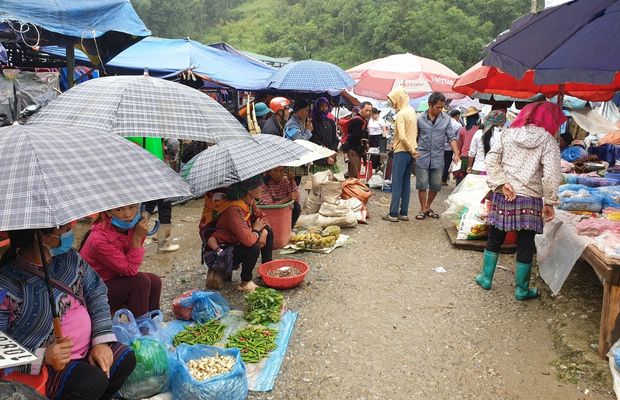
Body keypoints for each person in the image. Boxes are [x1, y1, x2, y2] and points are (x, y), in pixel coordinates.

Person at [0, 225, 136, 400]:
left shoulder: (70, 258)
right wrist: (43, 356)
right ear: (40, 236)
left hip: (89, 347)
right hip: (50, 366)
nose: (68, 232)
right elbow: (2, 345)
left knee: (125, 359)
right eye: (62, 229)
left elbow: (96, 292)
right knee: (93, 381)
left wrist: (100, 341)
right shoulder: (6, 284)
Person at [474, 101, 565, 301]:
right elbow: (551, 175)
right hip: (530, 198)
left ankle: (486, 278)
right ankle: (521, 290)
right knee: (525, 242)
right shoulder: (548, 141)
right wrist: (549, 201)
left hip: (505, 193)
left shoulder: (508, 134)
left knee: (495, 236)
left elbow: (491, 159)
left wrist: (500, 183)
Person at [79, 204, 162, 317]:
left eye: (132, 207)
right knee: (140, 281)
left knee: (155, 281)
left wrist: (139, 233)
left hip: (113, 279)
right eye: (119, 209)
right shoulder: (98, 239)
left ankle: (154, 325)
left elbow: (131, 257)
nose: (128, 214)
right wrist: (137, 238)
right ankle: (142, 331)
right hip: (92, 290)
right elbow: (130, 269)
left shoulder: (131, 227)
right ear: (108, 212)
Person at [201, 176, 273, 292]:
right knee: (252, 247)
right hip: (222, 252)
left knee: (268, 232)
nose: (263, 188)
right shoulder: (234, 209)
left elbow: (262, 218)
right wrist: (255, 230)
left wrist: (264, 231)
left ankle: (267, 271)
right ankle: (245, 282)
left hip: (236, 243)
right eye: (260, 185)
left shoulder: (249, 202)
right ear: (250, 190)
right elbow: (248, 240)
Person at [415, 92, 460, 220]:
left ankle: (428, 206)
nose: (440, 110)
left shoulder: (446, 119)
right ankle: (423, 209)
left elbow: (451, 137)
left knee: (435, 185)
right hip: (422, 156)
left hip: (438, 157)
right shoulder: (419, 119)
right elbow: (415, 136)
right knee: (422, 184)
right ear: (430, 105)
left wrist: (456, 153)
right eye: (438, 107)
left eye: (442, 107)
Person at [382, 88, 418, 222]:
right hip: (411, 151)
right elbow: (413, 133)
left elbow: (402, 137)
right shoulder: (412, 111)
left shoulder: (401, 114)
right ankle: (403, 212)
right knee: (406, 182)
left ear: (398, 98)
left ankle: (392, 214)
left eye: (393, 100)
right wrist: (413, 150)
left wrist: (409, 149)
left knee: (396, 183)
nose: (392, 104)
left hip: (402, 151)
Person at [467, 110, 507, 175]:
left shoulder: (478, 133)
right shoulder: (503, 135)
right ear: (502, 122)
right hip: (494, 173)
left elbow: (472, 153)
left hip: (477, 170)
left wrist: (469, 166)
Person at [284, 99, 313, 185]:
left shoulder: (299, 122)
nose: (307, 113)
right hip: (293, 160)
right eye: (306, 110)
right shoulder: (291, 125)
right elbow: (300, 141)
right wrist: (308, 131)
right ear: (299, 110)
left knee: (296, 184)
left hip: (298, 159)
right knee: (292, 185)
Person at [342, 101, 373, 179]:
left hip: (357, 151)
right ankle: (351, 190)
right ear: (361, 109)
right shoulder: (357, 120)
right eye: (366, 110)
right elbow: (353, 138)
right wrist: (362, 145)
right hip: (353, 150)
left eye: (370, 111)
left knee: (354, 174)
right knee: (354, 176)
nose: (368, 112)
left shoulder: (364, 120)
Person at [310, 97, 339, 174]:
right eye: (321, 106)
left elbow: (335, 138)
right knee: (320, 182)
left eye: (326, 106)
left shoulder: (331, 122)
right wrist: (326, 154)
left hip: (331, 156)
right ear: (317, 107)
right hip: (319, 157)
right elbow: (314, 140)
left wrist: (333, 151)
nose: (324, 108)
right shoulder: (313, 123)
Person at [454, 106, 480, 185]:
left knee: (460, 179)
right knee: (471, 180)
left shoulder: (462, 129)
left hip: (463, 156)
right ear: (477, 117)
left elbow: (459, 146)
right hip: (474, 157)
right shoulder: (479, 129)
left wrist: (457, 155)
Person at [443, 109, 462, 185]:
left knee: (441, 163)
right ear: (457, 115)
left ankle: (439, 178)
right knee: (447, 163)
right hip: (450, 147)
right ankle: (443, 179)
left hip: (441, 146)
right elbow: (457, 139)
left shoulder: (445, 122)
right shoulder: (458, 125)